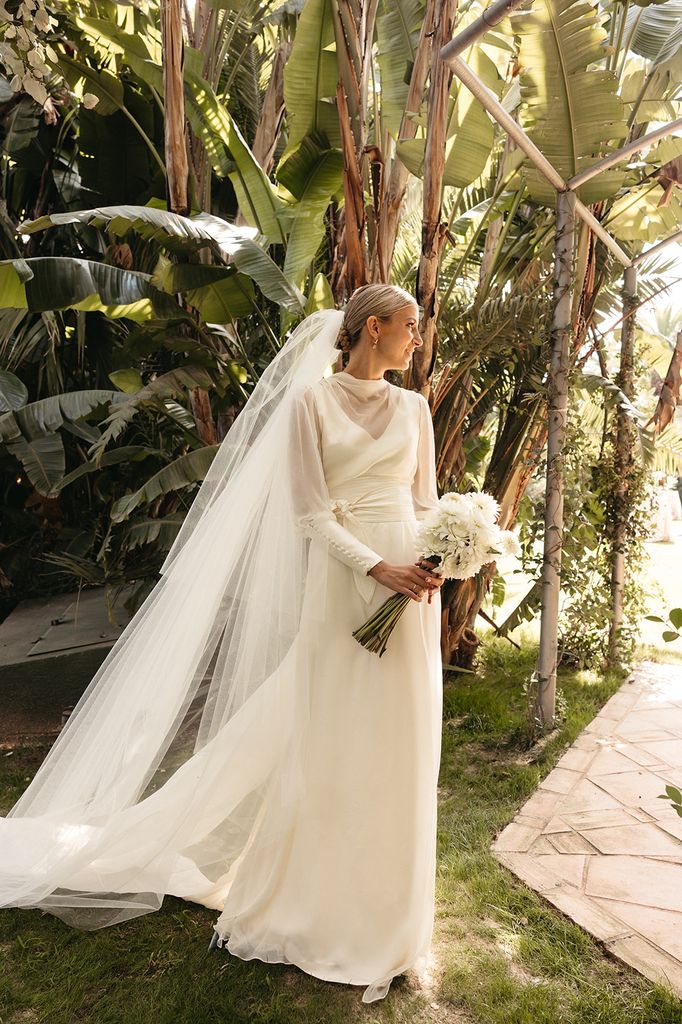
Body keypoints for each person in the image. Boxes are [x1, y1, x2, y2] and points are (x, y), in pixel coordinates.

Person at [0, 284, 445, 1004]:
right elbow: (308, 514)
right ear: (372, 328)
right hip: (344, 587)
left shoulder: (416, 409)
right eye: (409, 326)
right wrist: (375, 566)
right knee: (332, 740)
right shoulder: (311, 403)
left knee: (401, 742)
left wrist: (438, 557)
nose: (417, 339)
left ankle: (391, 918)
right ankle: (316, 905)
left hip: (412, 595)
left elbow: (425, 503)